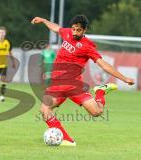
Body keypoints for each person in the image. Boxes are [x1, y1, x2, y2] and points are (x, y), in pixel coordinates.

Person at [31, 15, 134, 146]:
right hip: (57, 84)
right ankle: (67, 140)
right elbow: (57, 28)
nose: (74, 32)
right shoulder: (68, 33)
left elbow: (103, 65)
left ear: (85, 30)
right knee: (45, 109)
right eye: (73, 29)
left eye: (78, 30)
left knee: (96, 112)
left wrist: (124, 78)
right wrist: (44, 21)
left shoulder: (88, 46)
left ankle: (100, 92)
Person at [0, 26, 15, 102]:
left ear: (5, 34)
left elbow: (10, 53)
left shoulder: (8, 42)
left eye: (3, 33)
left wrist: (13, 61)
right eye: (0, 32)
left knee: (3, 80)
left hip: (4, 64)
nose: (1, 34)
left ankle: (2, 96)